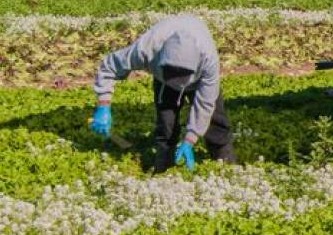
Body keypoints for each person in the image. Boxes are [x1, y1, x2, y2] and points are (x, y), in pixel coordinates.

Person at [90, 14, 234, 172]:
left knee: (216, 120)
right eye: (173, 74)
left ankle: (225, 162)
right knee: (167, 123)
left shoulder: (209, 60)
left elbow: (205, 103)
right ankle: (164, 165)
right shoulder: (146, 49)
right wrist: (104, 104)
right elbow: (109, 67)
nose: (178, 83)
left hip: (198, 78)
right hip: (163, 78)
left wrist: (190, 139)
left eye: (182, 76)